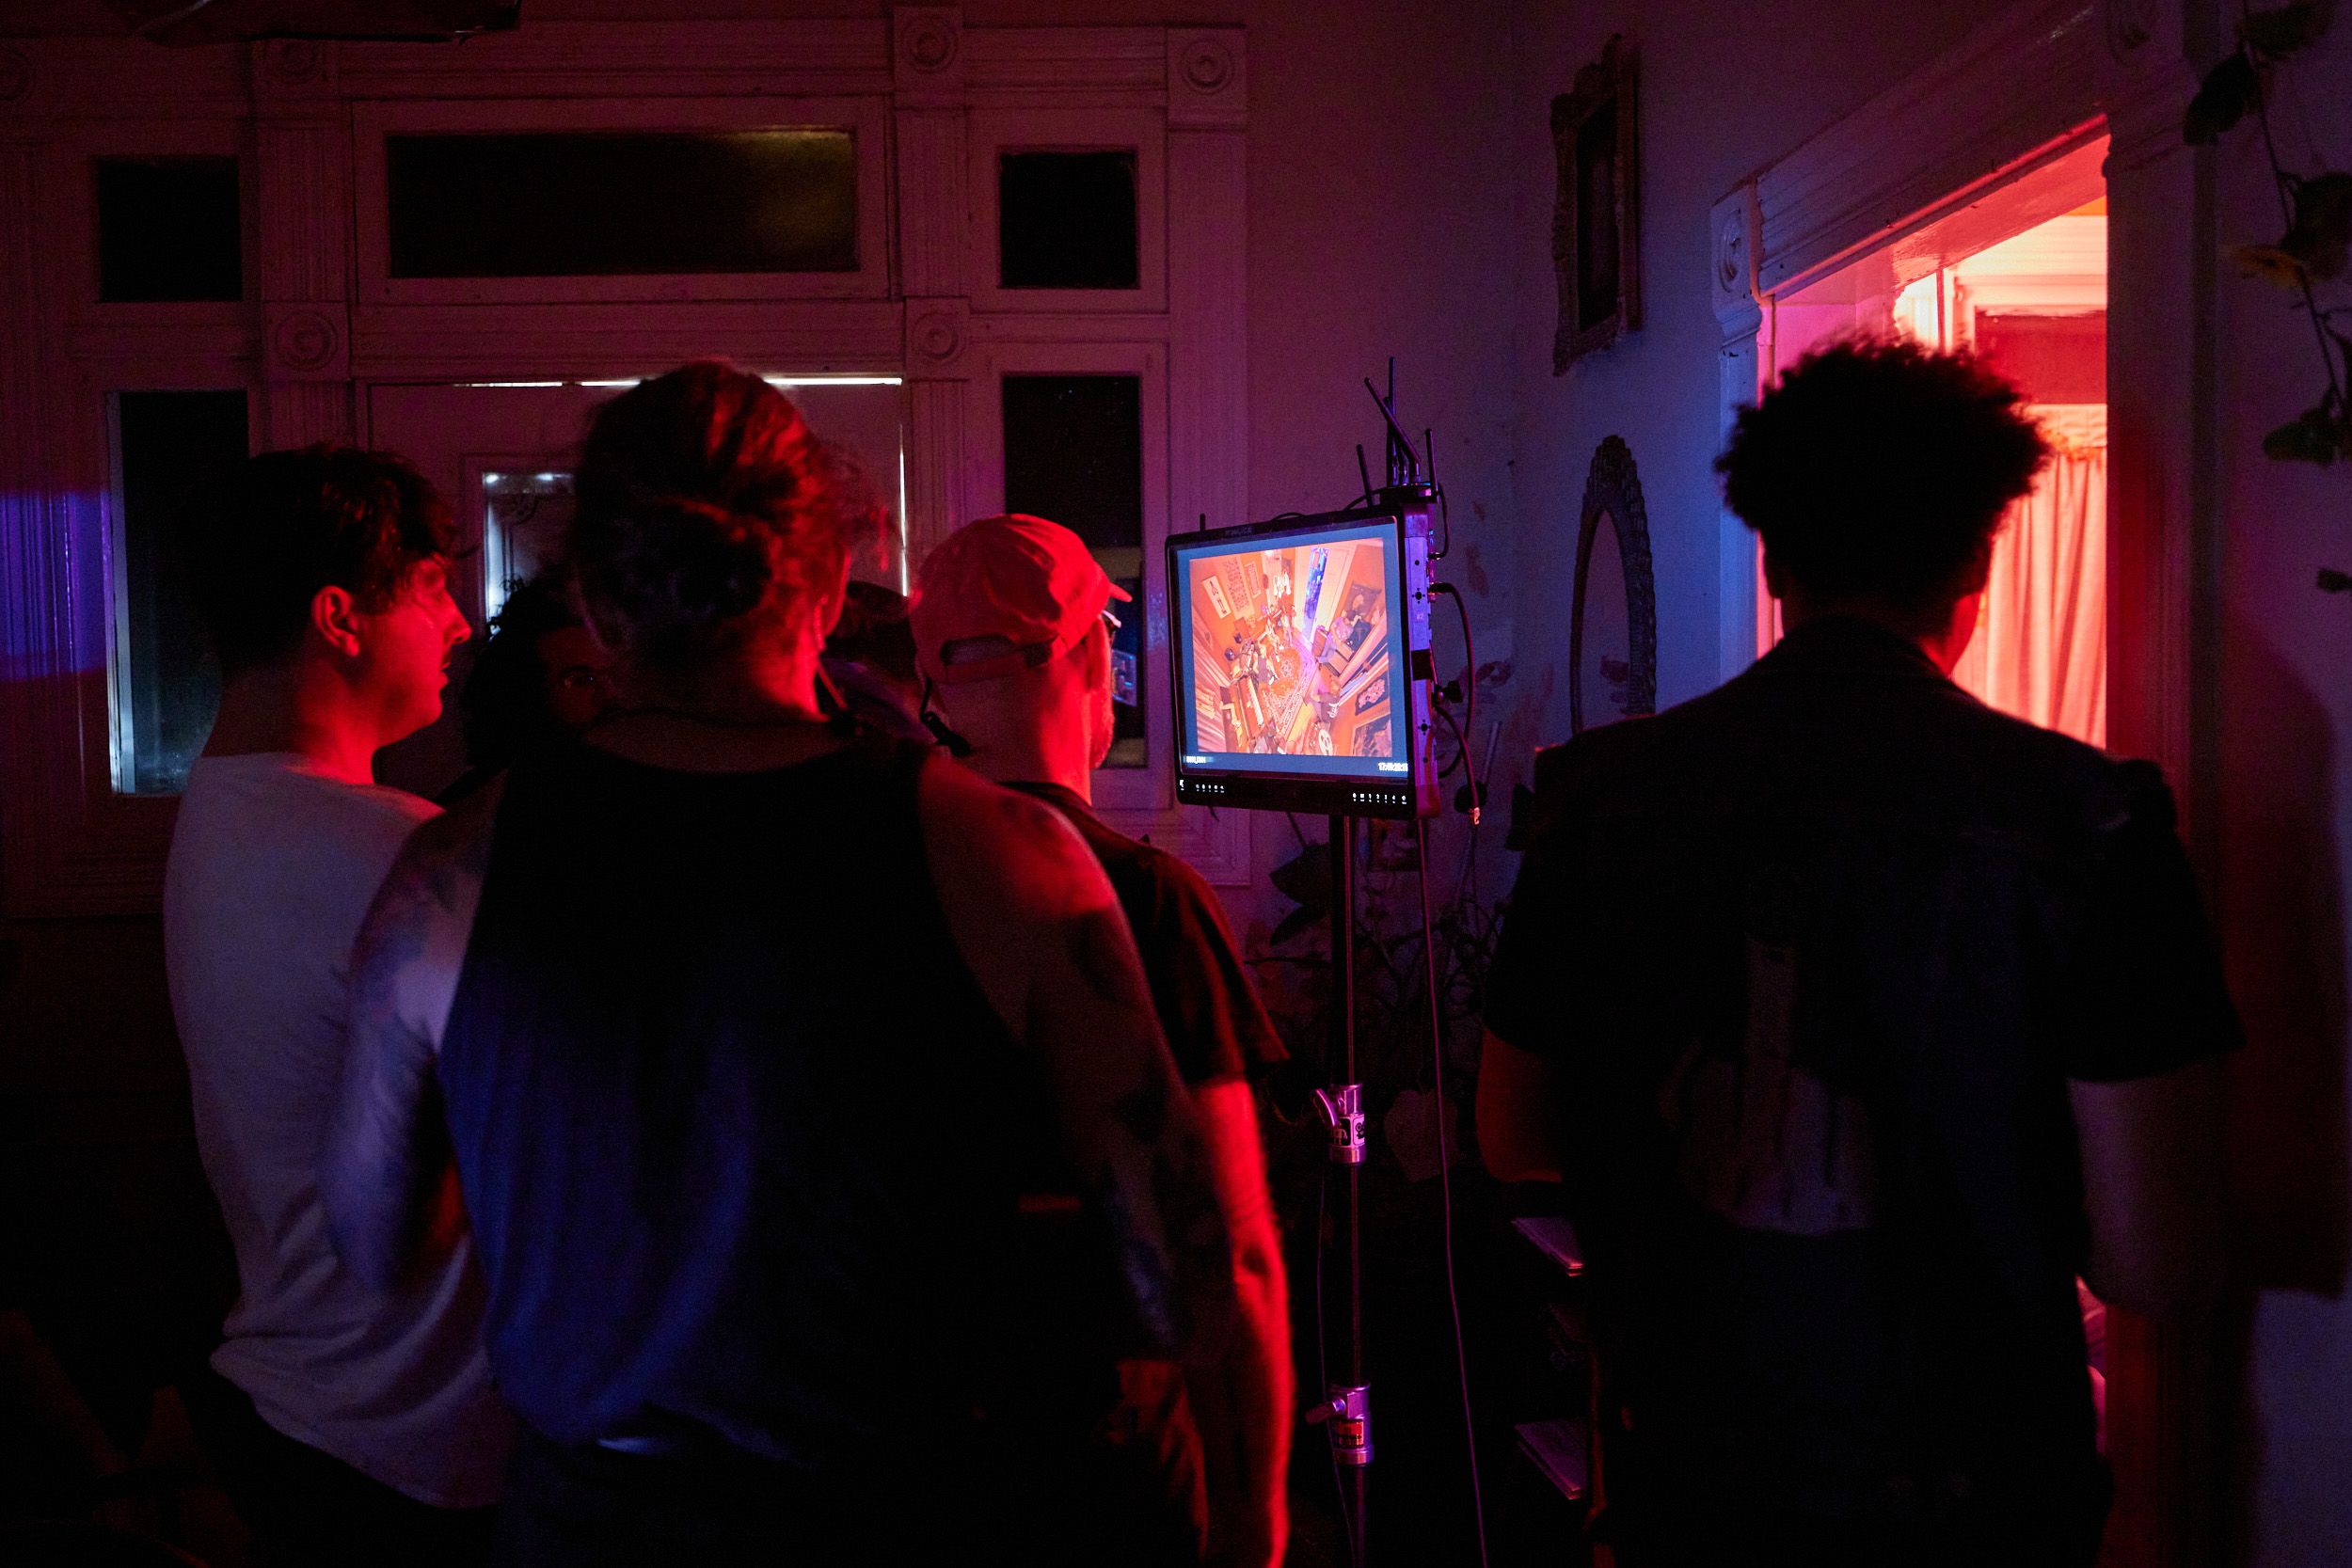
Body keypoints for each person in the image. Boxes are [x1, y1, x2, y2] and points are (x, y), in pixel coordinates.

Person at [319, 364, 1264, 1566]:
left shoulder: (448, 873)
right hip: (915, 1509)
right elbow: (1187, 1289)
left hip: (591, 1525)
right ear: (825, 588)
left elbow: (375, 1247)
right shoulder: (1007, 854)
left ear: (600, 611)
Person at [1476, 337, 2238, 1568]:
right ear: (1978, 563)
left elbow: (1512, 1133)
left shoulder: (1595, 798)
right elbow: (2161, 1255)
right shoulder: (2091, 817)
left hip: (1684, 1488)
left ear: (1772, 558)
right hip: (1979, 1509)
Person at [910, 514, 1293, 1568]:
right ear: (1095, 660)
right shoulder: (1144, 898)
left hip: (922, 1444)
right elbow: (1238, 1256)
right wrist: (1258, 1520)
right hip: (1102, 1449)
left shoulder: (889, 873)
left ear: (935, 687)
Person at [162, 445, 512, 1565]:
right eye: (430, 586)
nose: (460, 622)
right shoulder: (386, 847)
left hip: (307, 1400)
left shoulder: (226, 809)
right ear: (339, 616)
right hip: (403, 1442)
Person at [443, 573, 619, 801]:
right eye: (582, 680)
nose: (611, 696)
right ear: (525, 695)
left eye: (615, 676)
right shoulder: (469, 815)